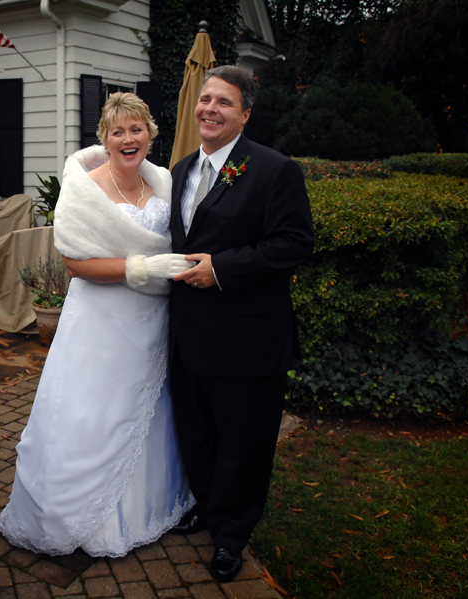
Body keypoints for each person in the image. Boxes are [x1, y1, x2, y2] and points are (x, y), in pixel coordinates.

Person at [0, 93, 196, 557]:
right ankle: (83, 516)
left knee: (148, 409)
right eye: (118, 131)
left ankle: (149, 505)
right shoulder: (85, 188)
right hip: (101, 321)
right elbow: (73, 263)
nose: (128, 139)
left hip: (151, 320)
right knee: (92, 409)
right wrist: (143, 268)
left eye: (137, 129)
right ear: (104, 139)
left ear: (151, 133)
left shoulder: (164, 182)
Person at [167, 66, 315, 582]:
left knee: (243, 444)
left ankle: (232, 535)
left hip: (249, 340)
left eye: (223, 102)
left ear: (245, 113)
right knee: (198, 434)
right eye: (204, 99)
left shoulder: (275, 170)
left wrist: (222, 269)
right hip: (188, 339)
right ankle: (208, 507)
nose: (209, 108)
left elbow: (295, 243)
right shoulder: (181, 170)